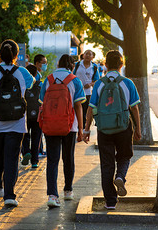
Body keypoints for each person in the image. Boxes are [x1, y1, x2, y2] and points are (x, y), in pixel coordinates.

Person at [83, 50, 141, 210]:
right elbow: (134, 108)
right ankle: (121, 176)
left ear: (106, 65)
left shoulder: (99, 84)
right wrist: (138, 129)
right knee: (124, 156)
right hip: (123, 127)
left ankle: (110, 201)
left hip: (104, 129)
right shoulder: (127, 83)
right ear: (121, 65)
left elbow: (91, 108)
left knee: (106, 164)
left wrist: (86, 130)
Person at [0, 39, 34, 207]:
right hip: (17, 122)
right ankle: (10, 195)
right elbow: (32, 84)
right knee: (12, 158)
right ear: (17, 55)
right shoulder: (23, 72)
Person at [39, 54, 86, 208]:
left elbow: (42, 102)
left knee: (52, 160)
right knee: (68, 158)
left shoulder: (48, 79)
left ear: (58, 64)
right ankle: (68, 191)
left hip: (50, 125)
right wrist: (80, 128)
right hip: (69, 126)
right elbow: (78, 105)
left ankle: (52, 196)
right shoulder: (75, 80)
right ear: (71, 65)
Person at [20, 64, 42, 168]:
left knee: (24, 135)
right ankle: (35, 161)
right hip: (37, 115)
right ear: (36, 74)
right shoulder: (40, 85)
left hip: (25, 114)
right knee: (36, 137)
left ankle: (26, 152)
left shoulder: (22, 85)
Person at [73, 49, 100, 129]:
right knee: (75, 111)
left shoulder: (94, 67)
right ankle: (76, 127)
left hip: (87, 93)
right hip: (76, 93)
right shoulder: (77, 65)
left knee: (85, 112)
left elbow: (96, 80)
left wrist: (91, 84)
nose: (87, 55)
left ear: (93, 57)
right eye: (86, 54)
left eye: (89, 54)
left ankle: (82, 129)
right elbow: (71, 76)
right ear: (83, 55)